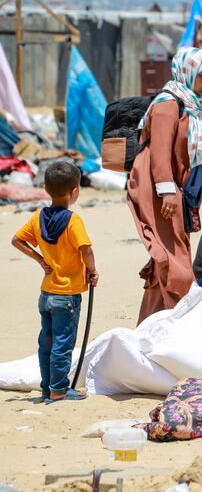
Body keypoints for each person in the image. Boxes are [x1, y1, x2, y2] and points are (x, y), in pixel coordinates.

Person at [127, 47, 202, 324]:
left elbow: (190, 147)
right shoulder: (167, 104)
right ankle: (179, 328)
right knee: (176, 266)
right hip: (161, 192)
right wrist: (167, 190)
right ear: (187, 73)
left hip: (181, 194)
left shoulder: (193, 105)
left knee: (165, 261)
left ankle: (149, 327)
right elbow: (159, 152)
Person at [12, 161, 99, 403]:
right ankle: (59, 389)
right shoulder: (73, 220)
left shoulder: (38, 217)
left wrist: (40, 259)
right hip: (67, 294)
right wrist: (92, 270)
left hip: (47, 292)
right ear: (74, 192)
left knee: (46, 341)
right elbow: (86, 249)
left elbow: (17, 240)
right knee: (63, 343)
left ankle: (47, 387)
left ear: (45, 188)